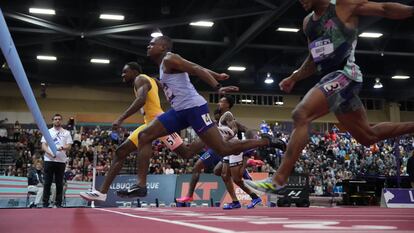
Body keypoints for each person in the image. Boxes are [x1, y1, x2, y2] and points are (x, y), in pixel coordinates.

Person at [245, 0, 414, 194]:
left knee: (301, 114)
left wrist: (411, 11)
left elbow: (384, 8)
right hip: (330, 80)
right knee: (368, 136)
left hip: (346, 75)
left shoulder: (344, 6)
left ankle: (279, 179)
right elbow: (313, 60)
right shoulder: (308, 23)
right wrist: (294, 78)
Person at [116, 35, 285, 198]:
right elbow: (195, 66)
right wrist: (216, 74)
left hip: (195, 109)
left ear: (163, 47)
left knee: (223, 149)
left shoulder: (169, 58)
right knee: (145, 135)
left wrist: (217, 86)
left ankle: (266, 141)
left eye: (152, 44)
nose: (148, 46)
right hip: (179, 112)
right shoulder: (164, 65)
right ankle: (141, 186)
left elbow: (196, 69)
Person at [80, 62, 203, 202]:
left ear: (134, 71)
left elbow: (141, 100)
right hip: (148, 124)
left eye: (125, 72)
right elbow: (162, 86)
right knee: (121, 151)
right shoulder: (150, 80)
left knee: (186, 153)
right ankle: (102, 193)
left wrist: (121, 118)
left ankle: (209, 136)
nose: (122, 75)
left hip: (160, 123)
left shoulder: (140, 79)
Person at [41, 113, 72, 207]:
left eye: (59, 119)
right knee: (47, 182)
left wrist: (62, 147)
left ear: (61, 121)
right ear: (52, 121)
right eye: (55, 119)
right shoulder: (47, 131)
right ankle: (45, 203)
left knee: (59, 183)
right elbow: (43, 145)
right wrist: (50, 153)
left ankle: (58, 203)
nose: (57, 120)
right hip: (49, 160)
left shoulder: (66, 132)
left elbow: (69, 146)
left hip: (61, 161)